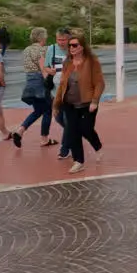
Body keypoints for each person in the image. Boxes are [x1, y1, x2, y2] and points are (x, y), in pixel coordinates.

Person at [52, 32, 105, 174]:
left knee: (86, 129)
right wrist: (56, 104)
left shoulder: (92, 61)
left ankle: (97, 146)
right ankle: (78, 161)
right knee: (72, 131)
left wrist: (95, 101)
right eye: (70, 45)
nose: (71, 48)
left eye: (74, 45)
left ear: (82, 47)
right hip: (69, 103)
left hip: (88, 103)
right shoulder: (67, 62)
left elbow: (99, 83)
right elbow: (62, 85)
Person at [12, 27, 56, 147]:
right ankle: (44, 138)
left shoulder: (26, 50)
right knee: (48, 110)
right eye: (45, 35)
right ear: (41, 37)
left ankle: (20, 130)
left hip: (29, 83)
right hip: (39, 83)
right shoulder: (41, 50)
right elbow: (43, 68)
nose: (46, 38)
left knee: (38, 110)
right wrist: (50, 83)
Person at [46, 28, 74, 159]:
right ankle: (75, 132)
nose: (61, 42)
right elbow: (46, 66)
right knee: (58, 118)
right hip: (55, 91)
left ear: (69, 39)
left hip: (70, 92)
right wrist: (49, 71)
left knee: (68, 121)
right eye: (59, 39)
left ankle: (65, 148)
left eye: (63, 40)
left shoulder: (74, 49)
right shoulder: (51, 49)